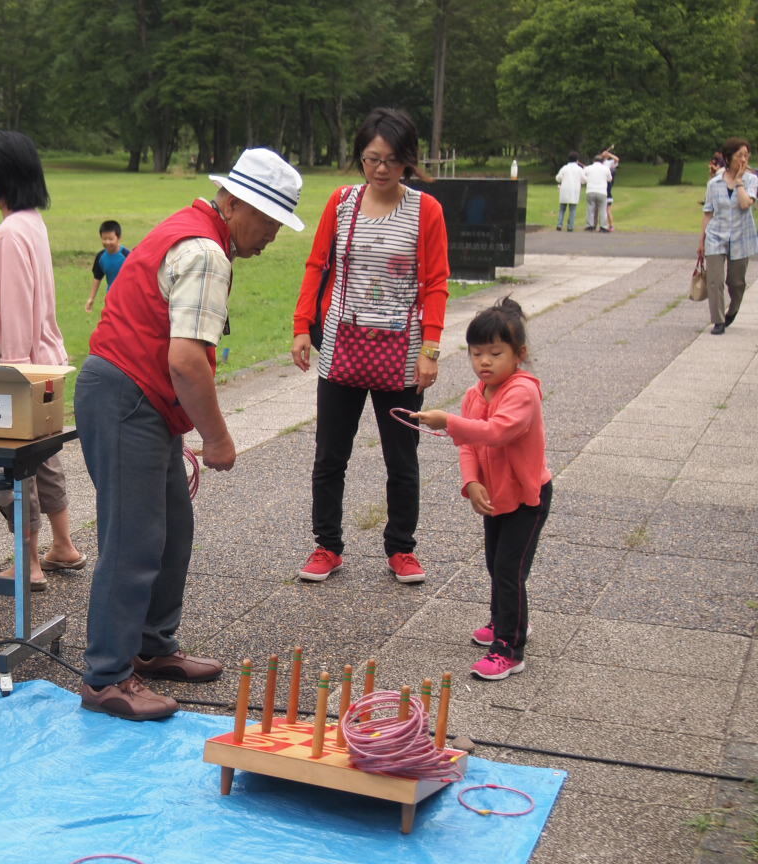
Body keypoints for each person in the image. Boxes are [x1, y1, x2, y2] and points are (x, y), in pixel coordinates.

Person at [77, 147, 304, 721]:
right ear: (235, 203)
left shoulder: (195, 231)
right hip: (128, 396)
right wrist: (219, 438)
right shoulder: (206, 251)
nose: (273, 236)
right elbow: (186, 361)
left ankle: (152, 646)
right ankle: (107, 677)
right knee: (131, 542)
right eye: (270, 222)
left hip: (137, 396)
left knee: (171, 529)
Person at [291, 107, 450, 586]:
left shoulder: (427, 210)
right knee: (329, 455)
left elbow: (437, 283)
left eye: (392, 160)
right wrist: (302, 326)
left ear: (408, 161)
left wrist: (432, 348)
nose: (381, 169)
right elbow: (317, 265)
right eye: (371, 158)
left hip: (402, 352)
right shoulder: (342, 203)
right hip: (342, 345)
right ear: (359, 158)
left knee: (401, 457)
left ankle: (402, 548)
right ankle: (327, 546)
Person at [410, 298, 551, 681]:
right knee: (496, 564)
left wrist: (449, 422)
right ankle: (505, 618)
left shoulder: (522, 392)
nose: (484, 362)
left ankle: (510, 646)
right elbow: (470, 446)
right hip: (495, 495)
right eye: (476, 354)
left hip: (526, 497)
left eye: (495, 353)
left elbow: (496, 432)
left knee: (509, 569)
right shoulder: (475, 394)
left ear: (519, 355)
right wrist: (471, 482)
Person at [0, 131, 84, 591]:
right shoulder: (31, 222)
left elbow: (15, 312)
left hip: (22, 367)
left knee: (14, 468)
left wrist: (13, 375)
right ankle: (62, 545)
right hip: (44, 363)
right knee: (44, 460)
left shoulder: (11, 231)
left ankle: (29, 563)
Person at [700, 137, 757, 335]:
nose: (743, 159)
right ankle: (718, 321)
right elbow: (708, 212)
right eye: (739, 155)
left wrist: (739, 181)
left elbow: (745, 204)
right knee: (714, 280)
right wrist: (702, 241)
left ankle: (733, 310)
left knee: (736, 283)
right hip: (716, 235)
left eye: (746, 155)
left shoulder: (752, 180)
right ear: (728, 157)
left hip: (741, 236)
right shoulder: (714, 182)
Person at [84, 220, 130, 312]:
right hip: (111, 297)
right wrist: (91, 298)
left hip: (128, 298)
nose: (107, 242)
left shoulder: (128, 256)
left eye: (111, 239)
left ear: (118, 238)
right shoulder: (101, 257)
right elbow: (97, 278)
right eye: (104, 239)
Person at [581, 154, 612, 232]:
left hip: (590, 190)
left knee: (590, 209)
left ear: (593, 160)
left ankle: (590, 226)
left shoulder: (588, 168)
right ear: (602, 161)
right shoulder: (606, 168)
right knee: (602, 209)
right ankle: (603, 226)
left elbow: (582, 179)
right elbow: (609, 179)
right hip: (602, 191)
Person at [554, 152, 584, 232]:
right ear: (577, 160)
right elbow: (584, 180)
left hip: (564, 190)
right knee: (573, 209)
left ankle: (559, 225)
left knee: (562, 209)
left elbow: (558, 178)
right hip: (574, 190)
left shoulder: (564, 168)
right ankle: (570, 226)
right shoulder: (579, 169)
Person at [599, 149, 620, 231]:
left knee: (607, 210)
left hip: (607, 187)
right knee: (602, 211)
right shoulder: (599, 163)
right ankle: (603, 226)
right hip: (600, 187)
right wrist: (602, 155)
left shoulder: (609, 163)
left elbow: (617, 159)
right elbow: (597, 160)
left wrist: (609, 154)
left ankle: (611, 226)